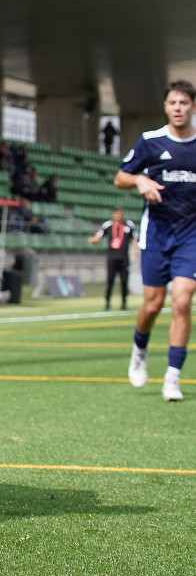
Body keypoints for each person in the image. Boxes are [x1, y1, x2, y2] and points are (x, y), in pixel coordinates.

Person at [115, 79, 196, 402]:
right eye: (173, 103)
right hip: (157, 235)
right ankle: (139, 349)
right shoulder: (150, 142)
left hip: (190, 236)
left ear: (192, 106)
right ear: (165, 106)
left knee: (181, 300)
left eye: (184, 103)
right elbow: (119, 177)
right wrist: (139, 180)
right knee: (152, 305)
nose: (178, 108)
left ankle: (172, 378)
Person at [88, 207, 137, 310]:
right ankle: (107, 303)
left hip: (124, 258)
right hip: (112, 258)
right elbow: (98, 236)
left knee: (124, 281)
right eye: (116, 214)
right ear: (113, 214)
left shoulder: (129, 225)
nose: (118, 216)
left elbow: (134, 240)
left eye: (120, 214)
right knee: (110, 280)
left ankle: (124, 303)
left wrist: (134, 254)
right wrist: (94, 240)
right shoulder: (108, 225)